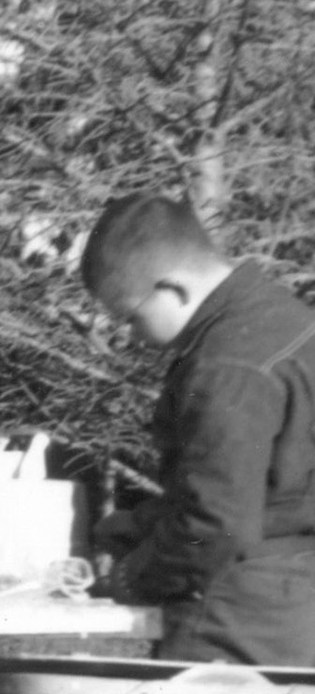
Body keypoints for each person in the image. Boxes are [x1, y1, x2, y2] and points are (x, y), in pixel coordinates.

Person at [81, 191, 315, 665]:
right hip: (295, 603)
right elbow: (266, 490)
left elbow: (215, 526)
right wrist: (134, 527)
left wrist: (133, 578)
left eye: (130, 317)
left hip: (235, 617)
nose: (131, 337)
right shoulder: (289, 320)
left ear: (173, 288)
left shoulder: (225, 366)